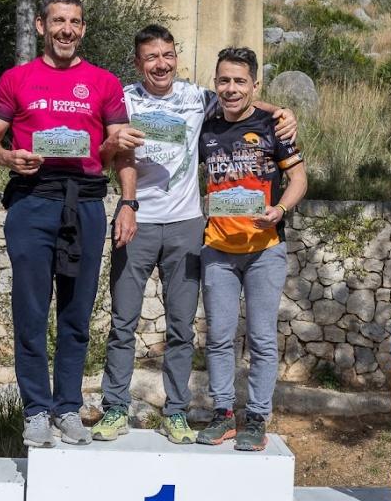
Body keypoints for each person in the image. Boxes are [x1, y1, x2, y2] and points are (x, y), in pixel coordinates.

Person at [94, 25, 296, 444]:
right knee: (123, 322)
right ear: (137, 62)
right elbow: (100, 157)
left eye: (167, 55)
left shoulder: (196, 98)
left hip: (187, 225)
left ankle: (176, 412)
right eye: (151, 57)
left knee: (181, 328)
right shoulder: (123, 100)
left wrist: (282, 112)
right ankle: (114, 408)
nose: (161, 64)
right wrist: (113, 143)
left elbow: (240, 99)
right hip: (136, 221)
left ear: (176, 57)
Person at [0, 0, 134, 449]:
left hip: (85, 203)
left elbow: (115, 150)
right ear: (41, 26)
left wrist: (127, 198)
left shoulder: (104, 82)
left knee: (77, 312)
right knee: (30, 311)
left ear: (83, 29)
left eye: (75, 22)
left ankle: (67, 407)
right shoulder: (17, 78)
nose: (67, 29)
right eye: (59, 21)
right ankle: (35, 410)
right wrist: (9, 157)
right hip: (32, 200)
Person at [195, 46, 307, 451]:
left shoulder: (273, 126)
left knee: (261, 338)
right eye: (224, 80)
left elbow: (299, 179)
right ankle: (223, 414)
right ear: (215, 83)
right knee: (219, 337)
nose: (231, 88)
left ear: (254, 85)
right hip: (218, 248)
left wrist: (280, 210)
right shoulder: (205, 126)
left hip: (264, 249)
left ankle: (257, 416)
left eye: (240, 81)